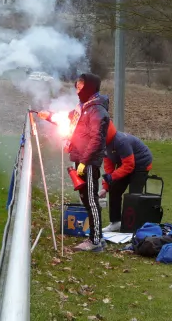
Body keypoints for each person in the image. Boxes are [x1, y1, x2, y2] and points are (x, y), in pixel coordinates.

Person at [38, 73, 110, 252]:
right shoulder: (82, 108)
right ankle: (96, 237)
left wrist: (85, 162)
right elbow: (68, 120)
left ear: (90, 88)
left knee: (91, 200)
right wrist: (48, 116)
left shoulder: (97, 110)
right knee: (86, 198)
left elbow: (96, 139)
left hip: (89, 161)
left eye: (81, 88)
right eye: (76, 87)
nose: (77, 91)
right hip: (81, 158)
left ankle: (95, 241)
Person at [99, 121, 153, 232]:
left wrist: (112, 177)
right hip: (126, 163)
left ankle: (133, 226)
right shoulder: (103, 144)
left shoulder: (120, 141)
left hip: (141, 163)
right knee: (114, 189)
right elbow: (109, 166)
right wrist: (105, 187)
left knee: (134, 195)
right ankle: (116, 222)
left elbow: (129, 165)